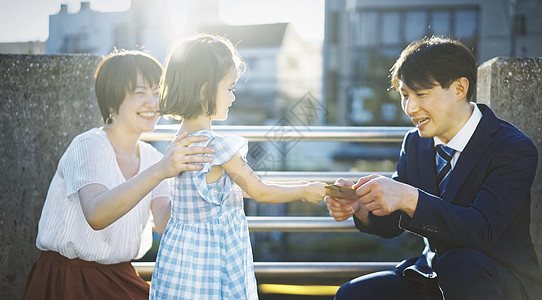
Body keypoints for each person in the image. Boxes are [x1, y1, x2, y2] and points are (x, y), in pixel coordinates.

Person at [326, 36, 542, 300]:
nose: (410, 107)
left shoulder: (512, 148)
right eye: (405, 95)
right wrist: (362, 208)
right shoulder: (416, 143)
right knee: (352, 295)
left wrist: (408, 198)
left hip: (500, 280)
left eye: (421, 94)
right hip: (431, 273)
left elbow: (482, 231)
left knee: (460, 265)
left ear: (460, 88)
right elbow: (395, 223)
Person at [22, 50, 215, 300]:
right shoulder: (88, 145)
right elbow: (96, 214)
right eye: (140, 93)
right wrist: (160, 171)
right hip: (69, 279)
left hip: (120, 277)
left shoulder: (154, 158)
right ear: (112, 101)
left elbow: (167, 223)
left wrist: (206, 184)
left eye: (157, 93)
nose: (152, 102)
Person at [149, 34, 327, 299]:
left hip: (181, 259)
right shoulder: (218, 148)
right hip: (214, 260)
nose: (233, 97)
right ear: (204, 90)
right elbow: (261, 191)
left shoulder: (178, 143)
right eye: (230, 88)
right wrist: (304, 189)